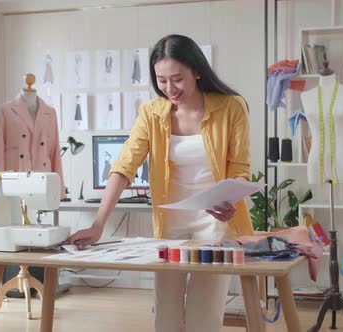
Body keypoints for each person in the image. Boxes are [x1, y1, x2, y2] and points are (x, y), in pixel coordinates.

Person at [67, 34, 254, 332]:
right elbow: (124, 166)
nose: (170, 88)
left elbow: (241, 168)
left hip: (215, 224)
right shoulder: (152, 113)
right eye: (162, 80)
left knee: (203, 317)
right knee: (165, 315)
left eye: (177, 79)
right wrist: (98, 225)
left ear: (197, 70)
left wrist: (230, 199)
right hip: (169, 222)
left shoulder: (231, 107)